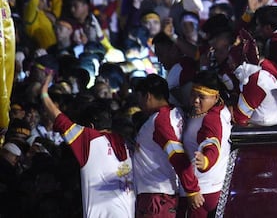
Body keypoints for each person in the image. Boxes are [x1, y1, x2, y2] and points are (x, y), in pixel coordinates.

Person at [40, 72, 135, 218]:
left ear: (90, 126)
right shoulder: (127, 143)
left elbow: (59, 119)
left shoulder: (89, 138)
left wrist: (44, 94)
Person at [133, 74, 202, 217]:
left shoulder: (160, 122)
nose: (138, 103)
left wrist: (192, 189)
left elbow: (177, 155)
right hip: (161, 194)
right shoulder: (176, 113)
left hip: (156, 197)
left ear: (148, 96)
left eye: (139, 97)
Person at [180, 70, 232, 218]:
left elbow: (212, 143)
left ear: (215, 97)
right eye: (193, 95)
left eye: (201, 97)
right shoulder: (221, 111)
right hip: (211, 188)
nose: (195, 101)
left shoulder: (211, 119)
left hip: (200, 193)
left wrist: (206, 161)